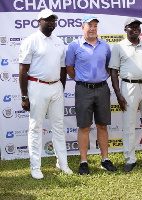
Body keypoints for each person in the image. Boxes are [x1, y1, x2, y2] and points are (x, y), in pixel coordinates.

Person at [19, 9, 73, 179]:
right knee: (35, 127)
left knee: (58, 127)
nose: (51, 22)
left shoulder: (58, 42)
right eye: (47, 20)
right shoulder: (31, 41)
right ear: (38, 22)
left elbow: (63, 68)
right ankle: (35, 167)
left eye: (53, 20)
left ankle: (62, 164)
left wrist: (61, 88)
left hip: (56, 86)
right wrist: (24, 96)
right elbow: (23, 69)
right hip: (37, 86)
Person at [66, 14, 116, 174]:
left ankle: (105, 159)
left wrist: (98, 80)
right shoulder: (74, 46)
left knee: (102, 125)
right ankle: (83, 162)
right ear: (83, 27)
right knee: (84, 126)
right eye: (89, 25)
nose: (93, 28)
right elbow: (69, 69)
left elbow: (109, 68)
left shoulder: (105, 46)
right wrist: (83, 81)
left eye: (95, 25)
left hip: (102, 89)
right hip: (83, 89)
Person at [109, 17, 142, 172]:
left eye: (138, 26)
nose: (136, 29)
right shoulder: (119, 47)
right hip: (128, 86)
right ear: (126, 29)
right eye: (132, 27)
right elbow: (113, 70)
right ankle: (130, 160)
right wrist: (118, 93)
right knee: (129, 125)